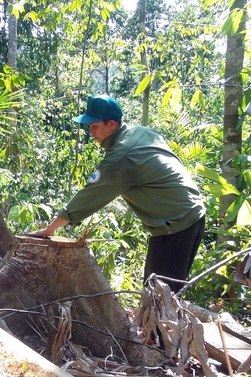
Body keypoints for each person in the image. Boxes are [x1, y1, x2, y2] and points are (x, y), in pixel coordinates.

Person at [28, 94, 206, 293]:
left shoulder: (121, 155)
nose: (90, 131)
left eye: (94, 126)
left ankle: (160, 325)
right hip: (192, 211)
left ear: (111, 124)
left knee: (159, 298)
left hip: (176, 224)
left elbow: (90, 195)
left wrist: (49, 230)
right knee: (163, 294)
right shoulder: (141, 132)